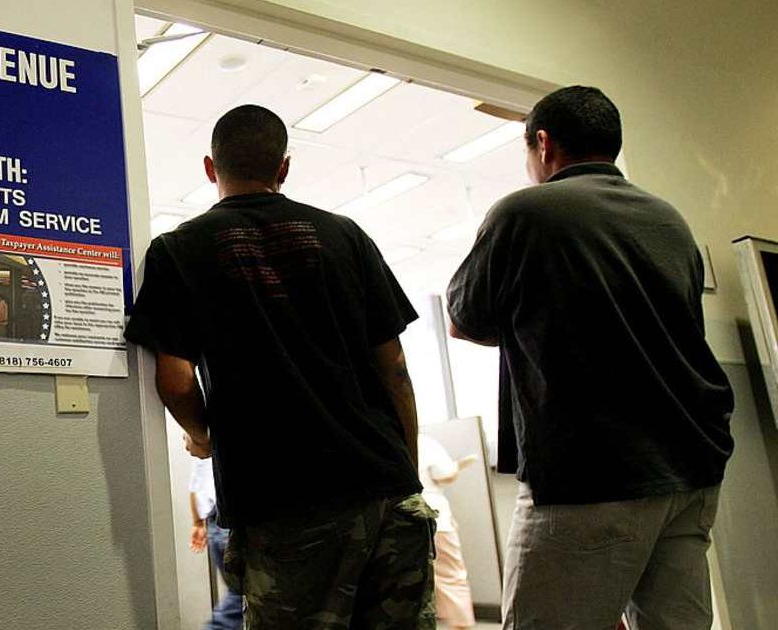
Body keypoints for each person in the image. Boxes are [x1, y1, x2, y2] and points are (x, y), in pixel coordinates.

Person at [125, 104, 435, 629]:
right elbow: (395, 367)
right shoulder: (346, 236)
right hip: (386, 491)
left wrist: (203, 437)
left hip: (285, 505)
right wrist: (407, 471)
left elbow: (174, 381)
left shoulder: (179, 250)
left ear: (209, 168)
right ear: (284, 168)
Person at [447, 86, 735, 629]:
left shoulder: (525, 212)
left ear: (543, 143)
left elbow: (464, 319)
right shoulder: (668, 219)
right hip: (690, 470)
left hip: (590, 479)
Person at [418, 435, 479, 630]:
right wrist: (458, 466)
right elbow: (445, 474)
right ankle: (461, 624)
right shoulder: (424, 442)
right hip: (436, 519)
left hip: (404, 521)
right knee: (452, 576)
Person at [187, 440, 244, 630]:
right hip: (229, 525)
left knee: (238, 591)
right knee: (241, 593)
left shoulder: (201, 449)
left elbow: (194, 491)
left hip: (213, 526)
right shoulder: (223, 445)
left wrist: (198, 524)